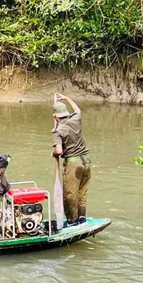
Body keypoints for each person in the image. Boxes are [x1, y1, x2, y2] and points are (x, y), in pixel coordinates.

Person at [52, 93, 91, 226]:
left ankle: (72, 221)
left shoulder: (58, 130)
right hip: (86, 161)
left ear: (55, 117)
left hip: (74, 164)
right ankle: (82, 217)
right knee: (82, 192)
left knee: (69, 194)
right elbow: (78, 109)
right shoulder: (76, 119)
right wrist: (67, 98)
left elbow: (59, 151)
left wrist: (54, 154)